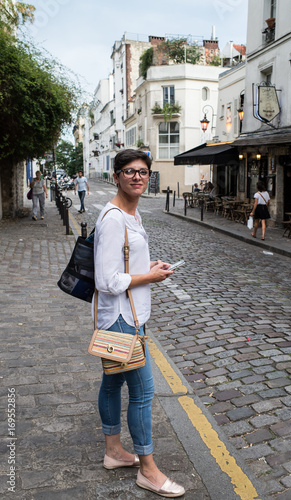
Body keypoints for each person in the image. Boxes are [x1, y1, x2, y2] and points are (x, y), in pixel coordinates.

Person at [93, 149, 185, 498]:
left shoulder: (132, 215)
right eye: (129, 171)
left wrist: (150, 265)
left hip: (126, 316)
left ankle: (115, 452)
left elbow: (126, 263)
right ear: (116, 176)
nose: (137, 177)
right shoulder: (115, 218)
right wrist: (150, 277)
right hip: (122, 319)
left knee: (113, 384)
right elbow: (107, 280)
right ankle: (148, 470)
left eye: (143, 172)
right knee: (144, 392)